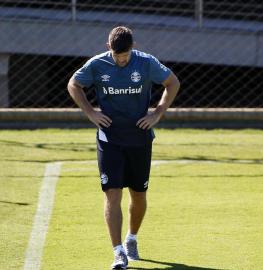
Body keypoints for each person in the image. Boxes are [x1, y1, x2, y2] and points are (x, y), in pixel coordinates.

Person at [67, 26, 180, 269]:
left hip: (139, 138)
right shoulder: (97, 65)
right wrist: (90, 112)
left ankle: (132, 238)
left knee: (138, 194)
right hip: (110, 139)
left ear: (133, 47)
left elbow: (173, 82)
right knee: (112, 193)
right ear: (109, 47)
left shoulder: (146, 63)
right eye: (118, 56)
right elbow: (73, 85)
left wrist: (157, 113)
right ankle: (118, 252)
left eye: (125, 56)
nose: (121, 60)